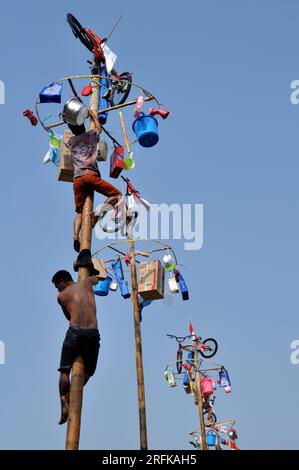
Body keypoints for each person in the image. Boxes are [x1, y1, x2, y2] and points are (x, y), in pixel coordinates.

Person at [68, 110, 122, 252]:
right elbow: (98, 128)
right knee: (117, 195)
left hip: (77, 179)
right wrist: (92, 115)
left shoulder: (71, 142)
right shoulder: (90, 135)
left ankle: (75, 235)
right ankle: (96, 216)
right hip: (90, 175)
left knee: (79, 212)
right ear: (83, 126)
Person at [52, 269, 100, 425]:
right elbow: (97, 279)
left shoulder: (61, 297)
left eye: (57, 285)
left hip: (75, 333)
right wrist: (92, 273)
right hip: (92, 334)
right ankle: (69, 397)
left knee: (64, 369)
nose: (58, 289)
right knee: (89, 371)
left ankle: (63, 399)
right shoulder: (87, 283)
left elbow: (68, 316)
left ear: (63, 280)